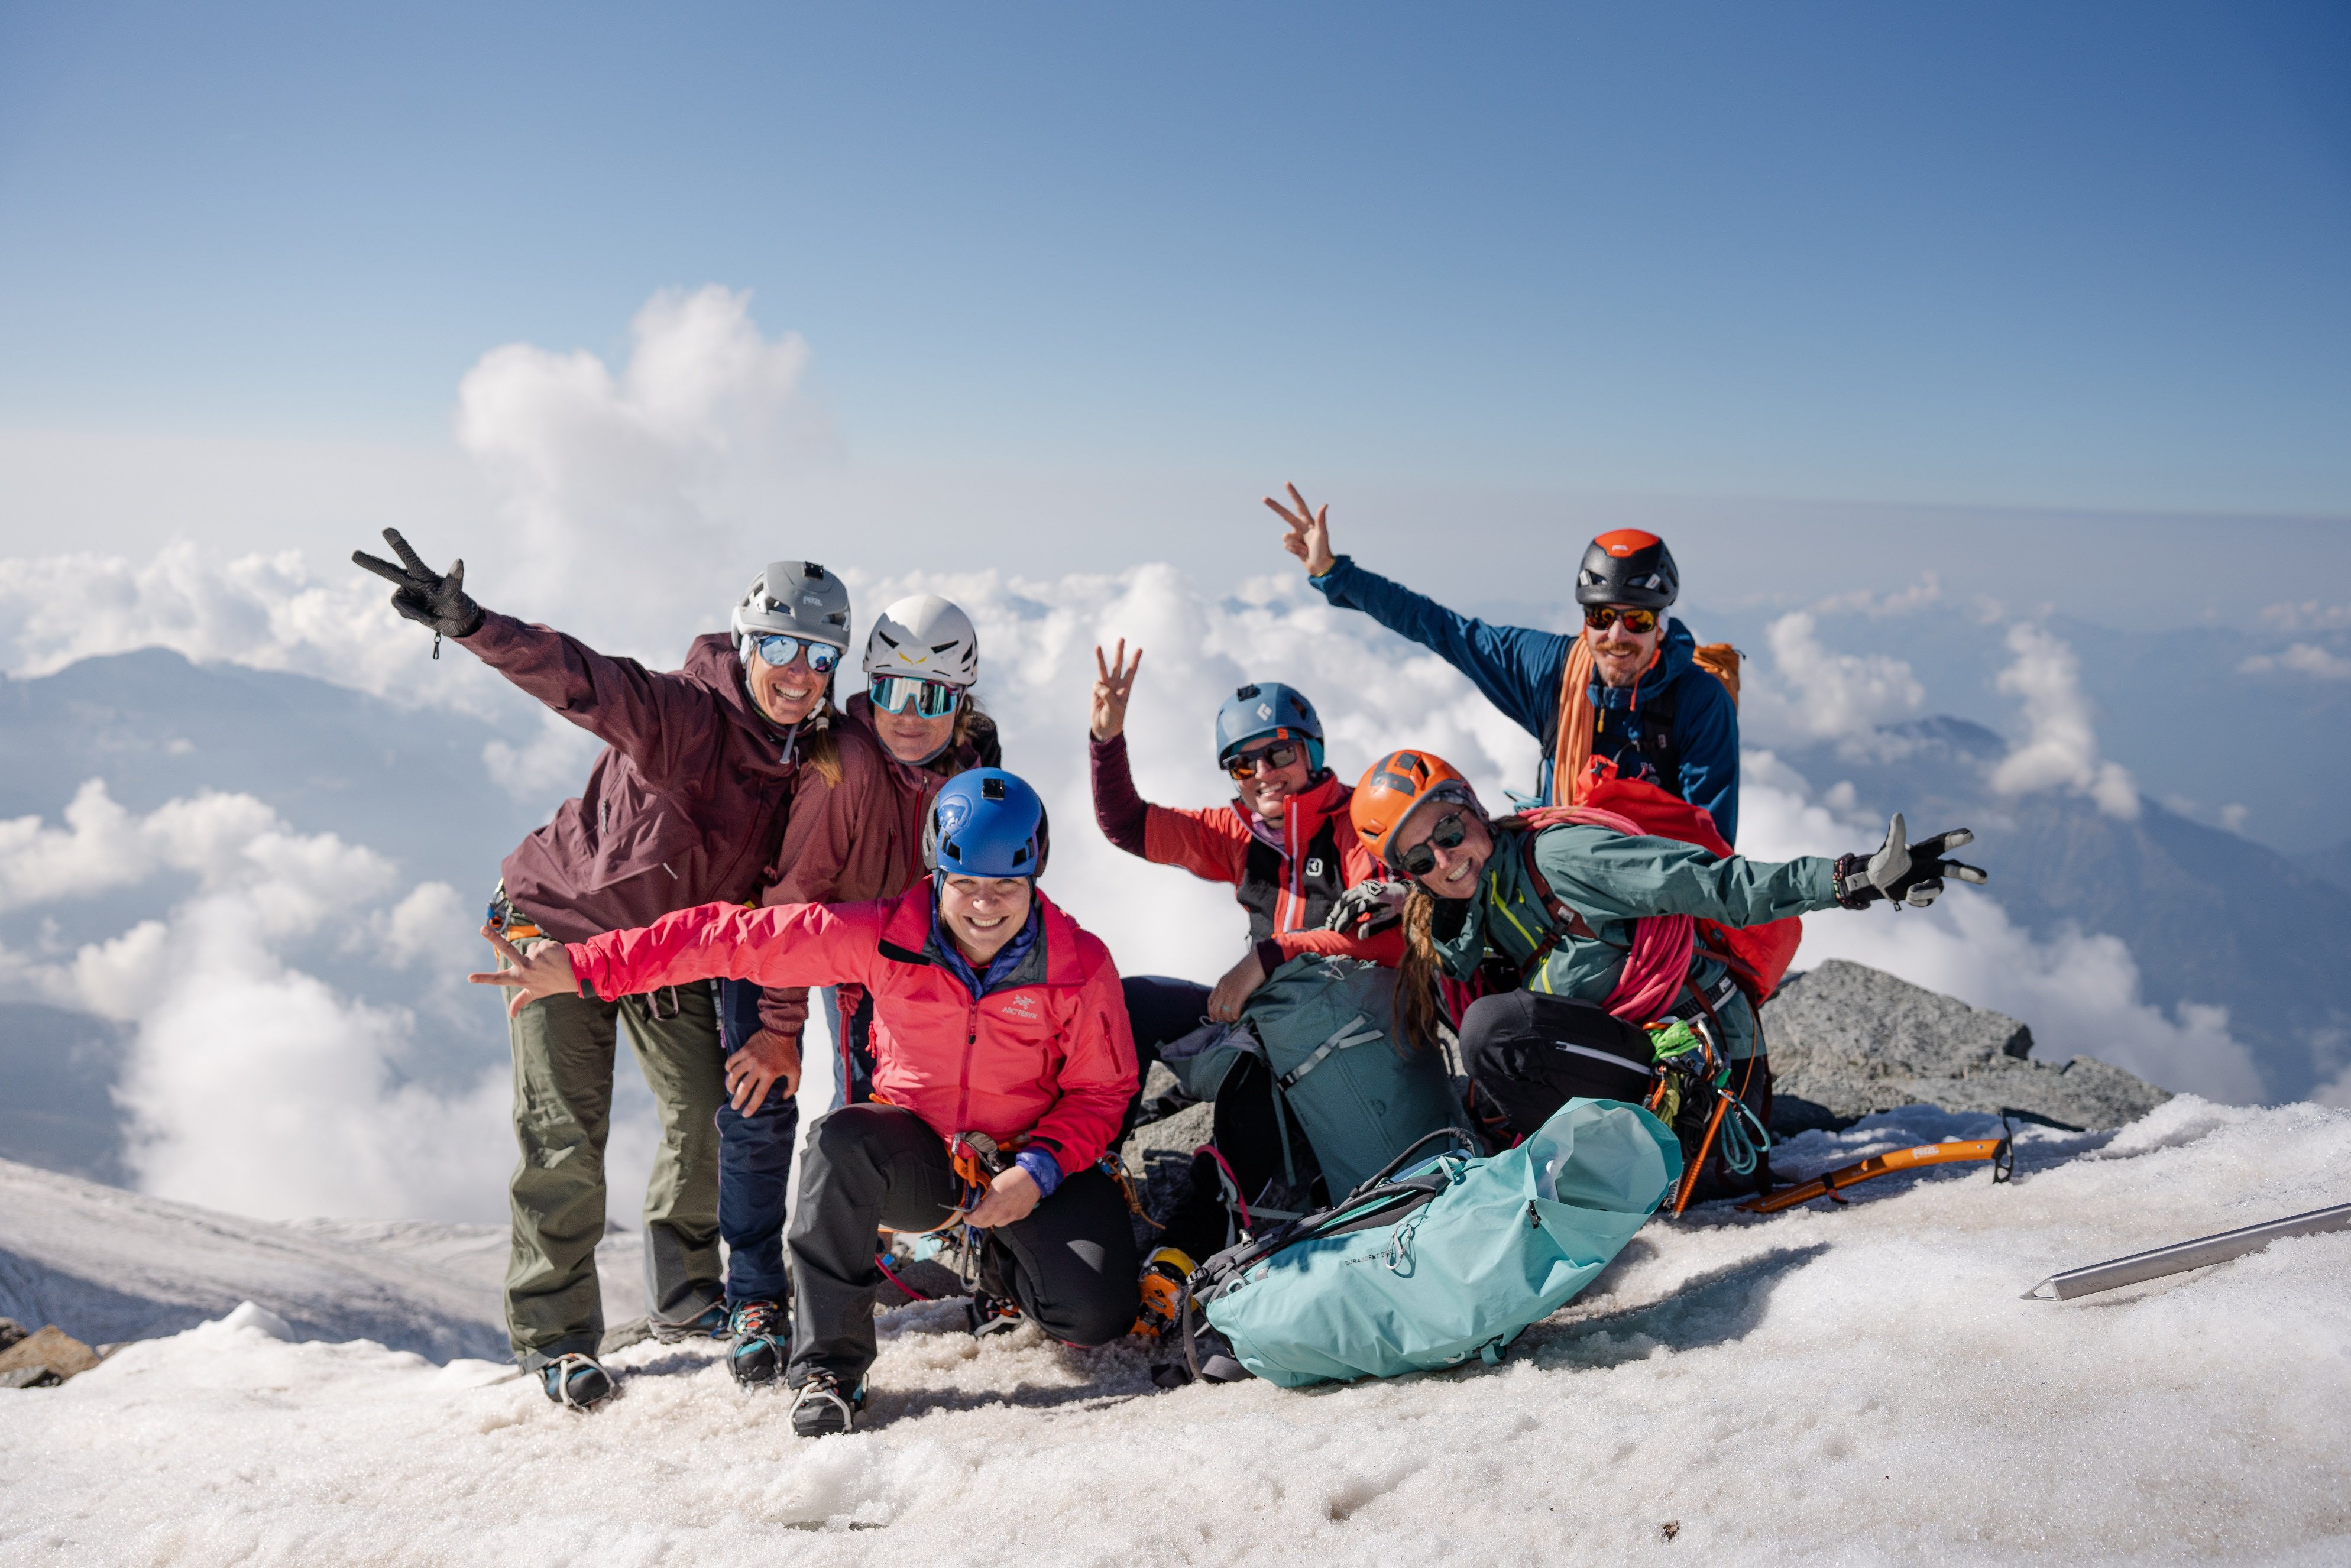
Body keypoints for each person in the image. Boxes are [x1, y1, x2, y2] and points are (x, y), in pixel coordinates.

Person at [352, 532, 863, 1409]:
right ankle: (556, 1340)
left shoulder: (810, 758)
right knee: (566, 1138)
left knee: (712, 1112)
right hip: (553, 934)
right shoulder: (685, 716)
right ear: (744, 642)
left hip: (656, 955)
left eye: (820, 656)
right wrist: (473, 625)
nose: (798, 672)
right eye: (780, 646)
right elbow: (584, 680)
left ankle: (686, 1295)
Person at [472, 769, 1140, 1437]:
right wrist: (588, 967)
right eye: (965, 883)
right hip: (927, 1159)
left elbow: (1103, 1091)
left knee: (1093, 1319)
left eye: (1006, 886)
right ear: (937, 873)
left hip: (1031, 1162)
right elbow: (733, 938)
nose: (985, 905)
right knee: (840, 1140)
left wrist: (1037, 1172)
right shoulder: (885, 935)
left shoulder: (1079, 966)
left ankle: (997, 1268)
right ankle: (828, 1371)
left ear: (1035, 875)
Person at [1352, 748, 1983, 1199]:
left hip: (1708, 1102)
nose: (1446, 859)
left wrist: (1853, 879)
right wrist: (1399, 905)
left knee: (1494, 1031)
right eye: (1420, 859)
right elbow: (1452, 945)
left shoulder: (1563, 858)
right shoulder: (1474, 906)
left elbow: (1717, 885)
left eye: (1449, 830)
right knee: (1487, 1058)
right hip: (1641, 1074)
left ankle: (1611, 1192)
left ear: (1473, 808)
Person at [715, 590, 999, 1386]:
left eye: (931, 697)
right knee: (768, 1104)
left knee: (901, 1106)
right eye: (891, 692)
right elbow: (793, 902)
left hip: (903, 962)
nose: (907, 714)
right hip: (789, 946)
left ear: (960, 701)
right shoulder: (845, 769)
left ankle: (878, 1253)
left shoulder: (968, 760)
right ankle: (757, 1299)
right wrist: (778, 1027)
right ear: (869, 685)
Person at [1087, 643, 1401, 1277]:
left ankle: (1183, 1257)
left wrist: (1272, 954)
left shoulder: (1355, 823)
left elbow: (1388, 944)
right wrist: (1106, 740)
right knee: (1129, 1000)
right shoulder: (1239, 834)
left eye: (1278, 753)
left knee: (1249, 1101)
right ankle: (1094, 1173)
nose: (1263, 773)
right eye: (1242, 764)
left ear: (1310, 750)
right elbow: (1128, 825)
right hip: (1262, 1023)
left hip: (1339, 1039)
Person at [1267, 484, 1743, 843]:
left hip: (1656, 899)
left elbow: (1711, 842)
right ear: (1585, 620)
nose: (1616, 636)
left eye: (1636, 619)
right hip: (1559, 881)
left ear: (1661, 625)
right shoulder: (1550, 672)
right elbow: (1439, 627)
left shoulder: (1699, 702)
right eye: (1601, 617)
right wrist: (1334, 573)